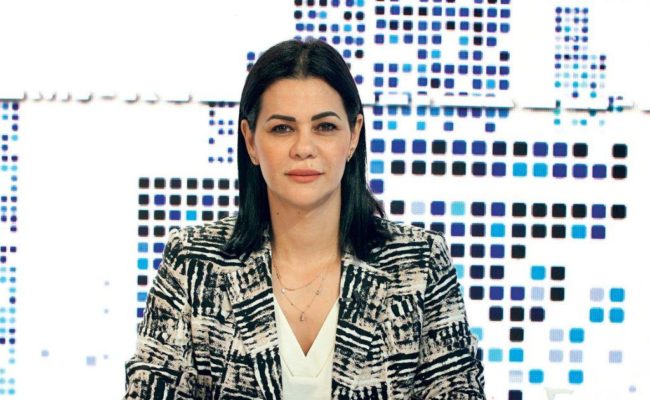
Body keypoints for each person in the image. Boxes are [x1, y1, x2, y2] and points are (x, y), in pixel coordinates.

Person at [124, 38, 485, 399]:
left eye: (324, 127)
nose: (303, 148)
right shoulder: (193, 262)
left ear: (353, 135)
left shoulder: (418, 264)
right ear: (250, 141)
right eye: (282, 128)